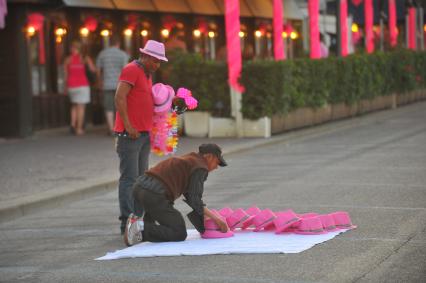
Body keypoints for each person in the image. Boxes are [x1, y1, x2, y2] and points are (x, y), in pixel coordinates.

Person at [124, 143, 229, 246]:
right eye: (217, 162)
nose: (216, 167)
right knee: (179, 232)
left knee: (155, 224)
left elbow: (190, 194)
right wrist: (216, 219)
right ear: (209, 156)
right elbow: (194, 199)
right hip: (154, 194)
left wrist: (205, 215)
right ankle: (138, 227)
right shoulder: (201, 167)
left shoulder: (191, 160)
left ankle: (138, 229)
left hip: (140, 187)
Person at [114, 40, 168, 234]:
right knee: (129, 179)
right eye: (155, 61)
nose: (157, 65)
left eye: (159, 62)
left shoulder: (146, 74)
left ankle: (136, 221)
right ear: (145, 56)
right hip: (130, 134)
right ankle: (126, 222)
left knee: (140, 179)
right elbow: (119, 97)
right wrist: (128, 125)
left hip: (143, 133)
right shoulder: (131, 70)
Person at [96, 35, 129, 135]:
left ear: (109, 43)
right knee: (121, 106)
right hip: (120, 84)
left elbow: (98, 70)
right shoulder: (123, 54)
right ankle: (120, 127)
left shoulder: (102, 54)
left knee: (109, 106)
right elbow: (126, 70)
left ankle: (111, 128)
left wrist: (99, 81)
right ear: (118, 43)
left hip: (107, 84)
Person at [64, 41, 96, 135]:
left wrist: (65, 87)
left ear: (71, 49)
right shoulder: (85, 58)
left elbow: (65, 75)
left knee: (74, 105)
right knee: (81, 107)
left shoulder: (68, 60)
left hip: (71, 85)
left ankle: (72, 124)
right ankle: (79, 129)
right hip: (82, 85)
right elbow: (93, 69)